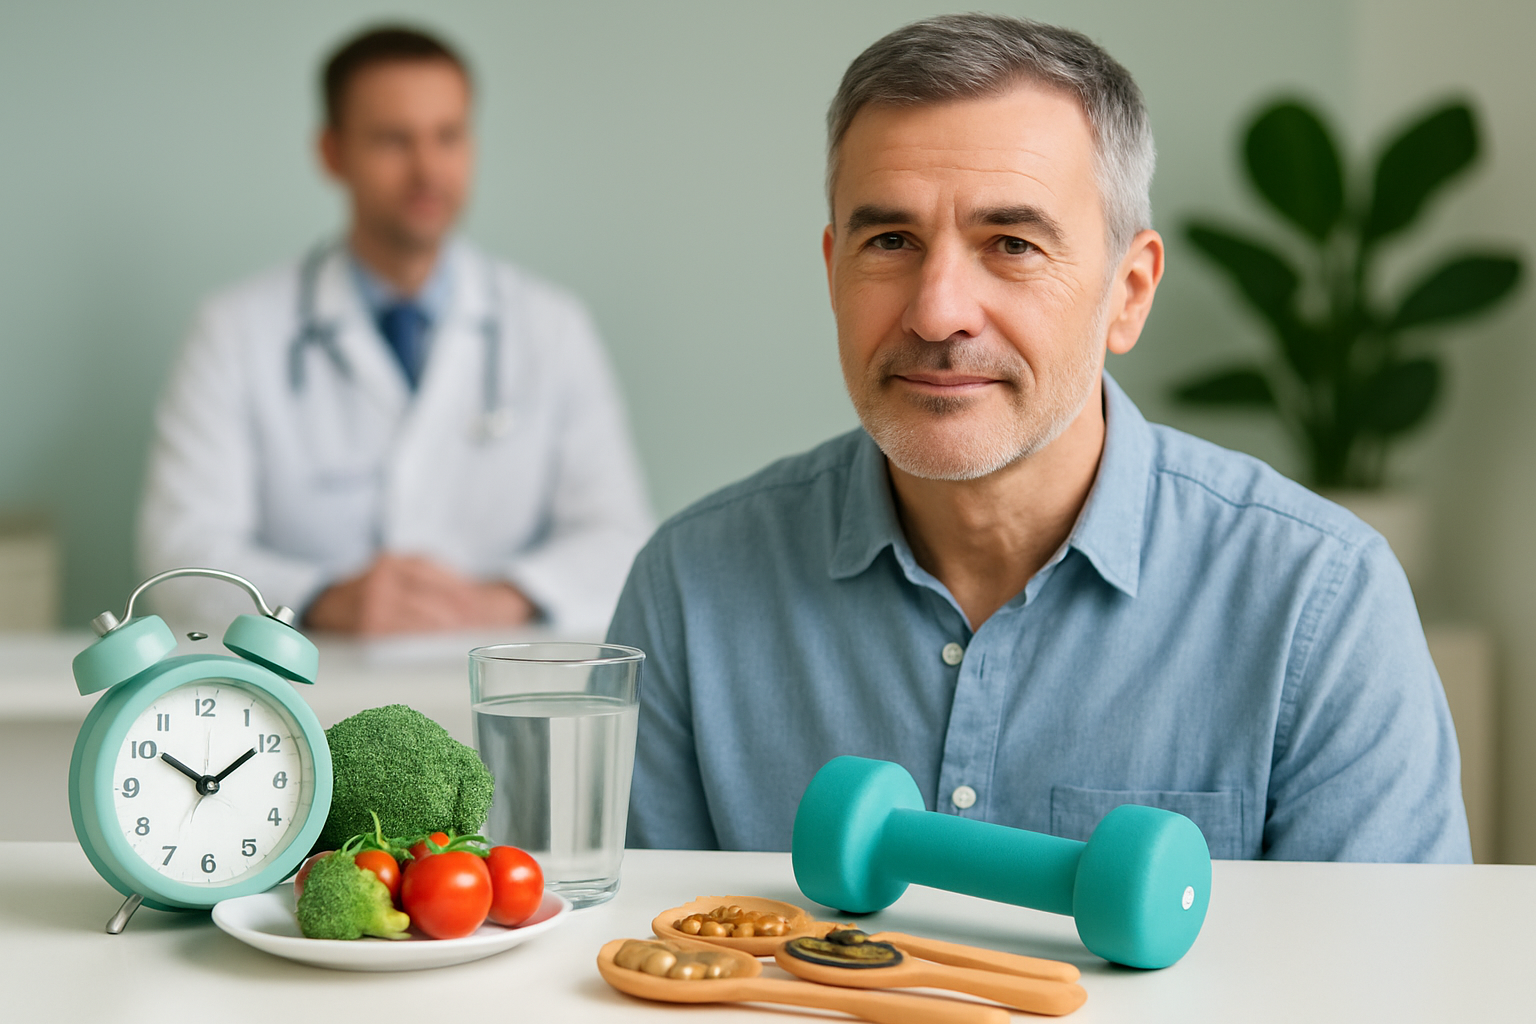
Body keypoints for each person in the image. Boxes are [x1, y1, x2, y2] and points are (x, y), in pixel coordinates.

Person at [609, 14, 1471, 861]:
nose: (938, 312)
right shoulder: (689, 591)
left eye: (1012, 244)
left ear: (1129, 293)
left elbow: (1387, 953)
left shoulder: (1319, 603)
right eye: (892, 240)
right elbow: (636, 945)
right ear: (834, 271)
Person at [139, 26, 651, 634]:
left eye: (448, 136)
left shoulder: (553, 327)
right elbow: (179, 554)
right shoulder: (233, 331)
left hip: (499, 677)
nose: (427, 169)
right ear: (332, 152)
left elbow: (620, 537)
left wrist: (501, 600)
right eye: (393, 140)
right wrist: (324, 599)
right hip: (311, 679)